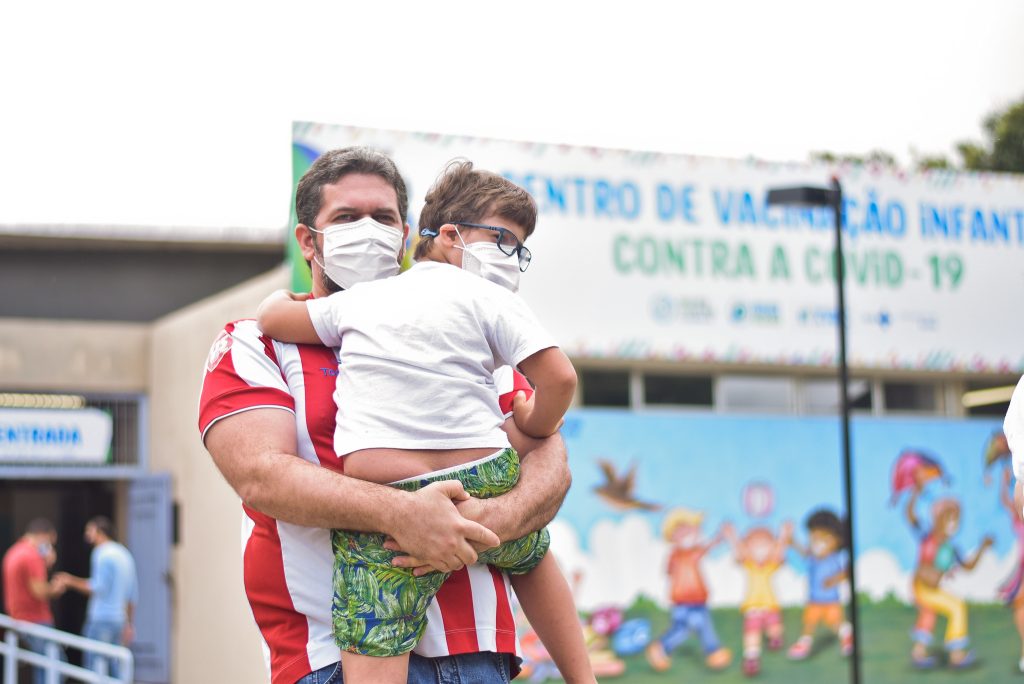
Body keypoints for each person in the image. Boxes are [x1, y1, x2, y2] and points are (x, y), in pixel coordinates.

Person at [199, 146, 573, 684]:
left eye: (383, 217)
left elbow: (547, 455)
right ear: (308, 240)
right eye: (346, 218)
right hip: (329, 659)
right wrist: (402, 514)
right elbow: (262, 476)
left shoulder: (466, 332)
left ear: (405, 236)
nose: (368, 231)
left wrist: (490, 520)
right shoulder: (255, 345)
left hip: (479, 659)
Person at [903, 488, 992, 669]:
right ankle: (956, 655)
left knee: (928, 613)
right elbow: (910, 515)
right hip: (922, 585)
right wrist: (915, 493)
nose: (953, 524)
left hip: (932, 587)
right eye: (948, 519)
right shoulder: (927, 536)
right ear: (938, 520)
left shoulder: (951, 548)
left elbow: (968, 566)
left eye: (956, 520)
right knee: (957, 606)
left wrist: (982, 548)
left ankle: (918, 653)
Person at [645, 507, 732, 673]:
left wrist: (720, 536)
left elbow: (707, 547)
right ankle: (663, 647)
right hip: (683, 601)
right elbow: (669, 570)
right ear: (673, 535)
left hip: (697, 599)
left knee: (699, 626)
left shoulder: (692, 552)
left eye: (694, 530)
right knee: (684, 628)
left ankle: (713, 651)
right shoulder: (678, 555)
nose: (693, 535)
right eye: (686, 531)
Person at [55, 516, 138, 678]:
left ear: (100, 532)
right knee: (116, 670)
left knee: (94, 668)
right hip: (119, 620)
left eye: (89, 530)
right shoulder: (125, 554)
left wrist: (70, 581)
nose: (87, 534)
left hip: (101, 619)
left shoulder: (102, 553)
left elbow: (98, 587)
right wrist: (129, 623)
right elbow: (132, 593)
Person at [2, 518, 65, 684]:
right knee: (57, 667)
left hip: (19, 618)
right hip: (36, 619)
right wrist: (56, 588)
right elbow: (39, 591)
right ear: (44, 535)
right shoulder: (32, 556)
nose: (50, 548)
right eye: (50, 542)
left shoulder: (14, 551)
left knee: (43, 667)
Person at [786, 508, 853, 660]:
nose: (817, 543)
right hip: (814, 600)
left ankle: (847, 636)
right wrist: (792, 541)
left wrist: (834, 579)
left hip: (831, 601)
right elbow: (803, 553)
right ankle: (804, 644)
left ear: (838, 540)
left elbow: (846, 573)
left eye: (824, 539)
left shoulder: (834, 559)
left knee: (835, 622)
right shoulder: (813, 558)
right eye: (813, 538)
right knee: (809, 622)